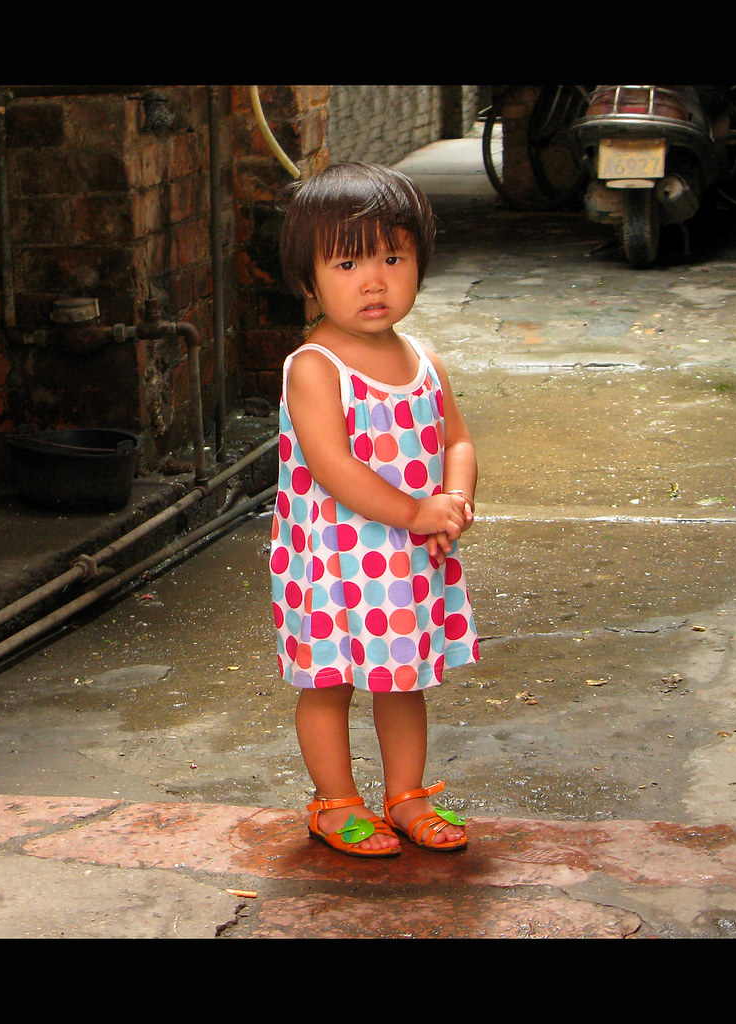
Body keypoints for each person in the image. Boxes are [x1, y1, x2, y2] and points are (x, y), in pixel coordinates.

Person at [270, 162, 479, 858]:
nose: (374, 281)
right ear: (308, 279)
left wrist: (454, 500)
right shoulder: (315, 367)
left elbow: (457, 440)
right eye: (348, 263)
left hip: (405, 563)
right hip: (333, 565)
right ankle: (336, 803)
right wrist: (417, 512)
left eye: (394, 258)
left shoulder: (423, 359)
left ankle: (407, 795)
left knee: (402, 682)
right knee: (329, 685)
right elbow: (334, 467)